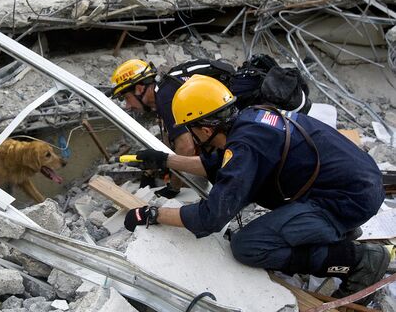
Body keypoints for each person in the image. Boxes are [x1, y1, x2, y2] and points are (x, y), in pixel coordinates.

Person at [123, 74, 388, 303]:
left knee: (248, 245)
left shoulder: (246, 147)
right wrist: (166, 160)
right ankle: (334, 231)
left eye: (192, 131)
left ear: (204, 130)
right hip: (355, 183)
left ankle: (360, 260)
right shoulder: (249, 120)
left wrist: (153, 214)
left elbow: (210, 217)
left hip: (346, 200)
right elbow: (220, 164)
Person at [107, 56, 311, 197]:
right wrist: (153, 168)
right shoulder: (167, 88)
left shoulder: (166, 97)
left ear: (141, 88)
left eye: (126, 97)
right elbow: (172, 137)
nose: (127, 105)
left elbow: (185, 146)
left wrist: (174, 187)